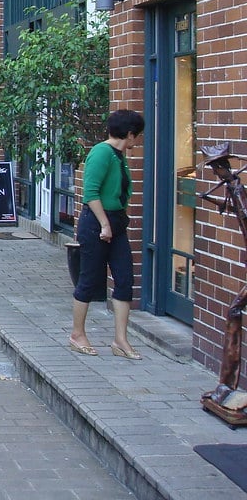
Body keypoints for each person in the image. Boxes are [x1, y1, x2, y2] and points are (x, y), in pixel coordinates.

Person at [69, 109, 145, 360]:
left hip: (116, 222)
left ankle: (120, 340)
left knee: (124, 279)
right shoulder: (102, 153)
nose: (139, 141)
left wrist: (115, 223)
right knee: (90, 279)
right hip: (96, 222)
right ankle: (77, 334)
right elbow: (90, 193)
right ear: (130, 134)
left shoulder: (119, 155)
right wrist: (104, 224)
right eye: (138, 136)